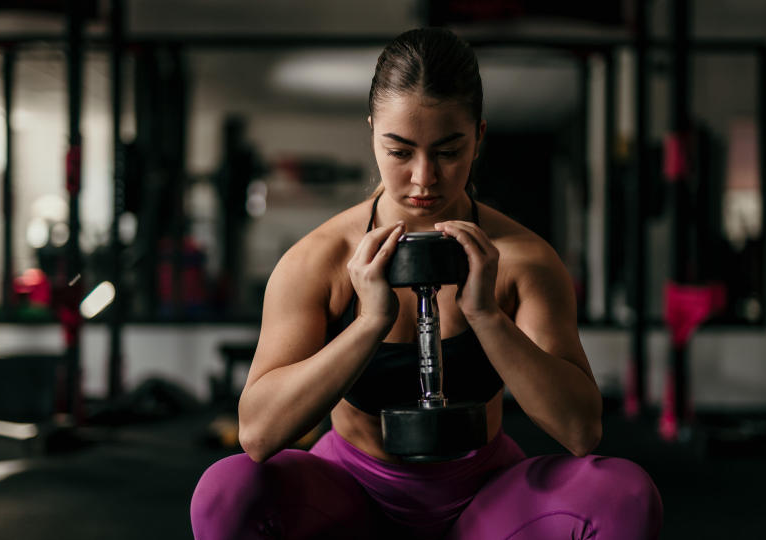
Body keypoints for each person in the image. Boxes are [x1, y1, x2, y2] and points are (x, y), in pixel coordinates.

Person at [191, 27, 662, 540]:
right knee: (225, 493)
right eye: (399, 151)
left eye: (447, 151)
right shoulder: (319, 261)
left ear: (479, 136)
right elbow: (257, 435)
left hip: (483, 494)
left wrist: (487, 316)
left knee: (625, 496)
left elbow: (580, 432)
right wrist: (369, 323)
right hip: (349, 494)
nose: (423, 178)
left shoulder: (525, 260)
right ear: (372, 132)